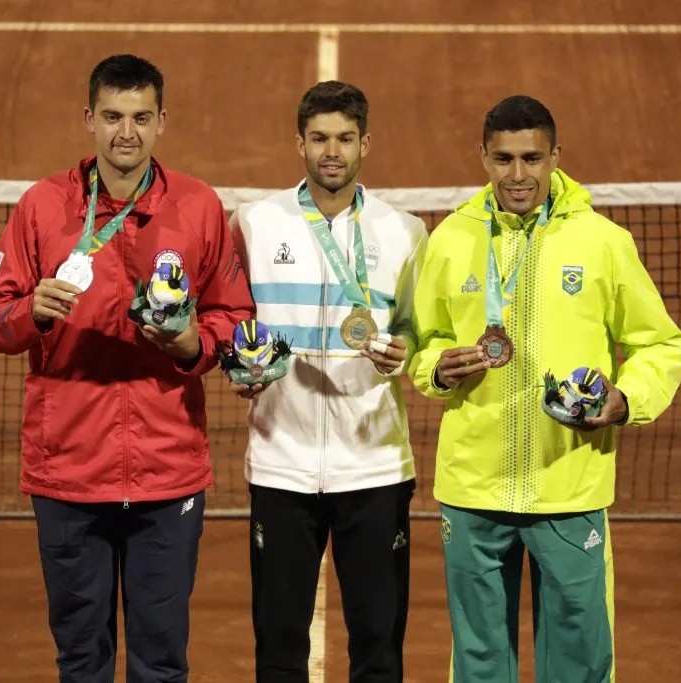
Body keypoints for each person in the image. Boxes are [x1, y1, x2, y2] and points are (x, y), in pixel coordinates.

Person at [0, 53, 254, 683]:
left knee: (161, 661)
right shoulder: (42, 206)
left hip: (167, 472)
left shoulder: (199, 206)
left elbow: (232, 316)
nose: (125, 132)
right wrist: (31, 313)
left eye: (140, 117)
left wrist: (189, 346)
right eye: (111, 117)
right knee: (80, 659)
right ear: (89, 120)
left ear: (161, 122)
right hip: (68, 472)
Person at [408, 95, 681, 682]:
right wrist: (437, 368)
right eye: (503, 159)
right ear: (482, 159)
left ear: (555, 156)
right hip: (474, 487)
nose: (517, 175)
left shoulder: (602, 242)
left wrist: (626, 400)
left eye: (532, 158)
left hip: (569, 487)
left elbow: (661, 345)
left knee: (579, 661)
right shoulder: (450, 239)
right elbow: (420, 341)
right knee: (480, 660)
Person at [228, 81, 428, 683]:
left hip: (375, 469)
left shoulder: (406, 231)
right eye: (319, 139)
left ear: (366, 142)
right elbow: (231, 326)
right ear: (300, 144)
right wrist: (240, 366)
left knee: (378, 647)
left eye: (344, 138)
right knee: (279, 646)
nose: (331, 152)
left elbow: (422, 330)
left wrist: (406, 352)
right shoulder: (254, 224)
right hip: (280, 465)